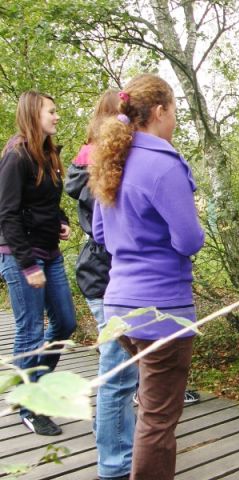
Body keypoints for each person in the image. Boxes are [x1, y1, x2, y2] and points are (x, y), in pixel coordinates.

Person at [66, 89, 202, 480]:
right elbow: (189, 240)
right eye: (174, 111)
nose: (175, 120)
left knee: (146, 405)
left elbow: (100, 233)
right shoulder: (164, 164)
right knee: (158, 422)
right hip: (162, 311)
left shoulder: (115, 158)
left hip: (119, 308)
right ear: (159, 111)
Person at [0, 91, 77, 436]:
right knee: (30, 331)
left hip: (49, 252)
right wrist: (28, 265)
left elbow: (48, 200)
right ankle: (27, 404)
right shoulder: (16, 156)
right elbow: (7, 213)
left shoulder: (48, 154)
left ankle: (36, 385)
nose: (57, 117)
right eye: (52, 111)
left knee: (64, 322)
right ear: (35, 115)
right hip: (21, 256)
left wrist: (61, 220)